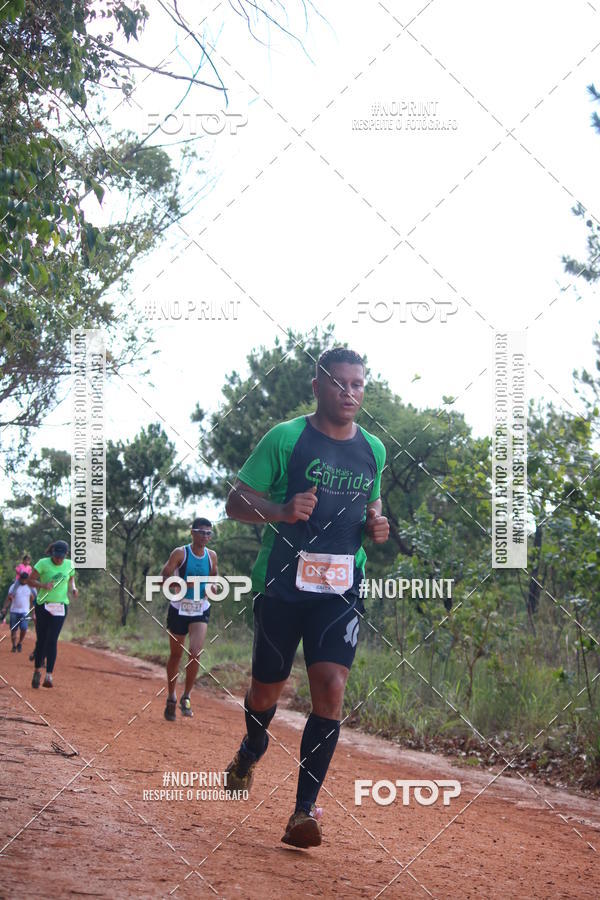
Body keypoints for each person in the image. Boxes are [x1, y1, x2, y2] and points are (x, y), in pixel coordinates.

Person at [224, 347, 389, 848]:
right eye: (339, 383)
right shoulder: (285, 438)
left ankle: (302, 812)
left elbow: (372, 501)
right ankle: (252, 747)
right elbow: (235, 503)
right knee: (265, 694)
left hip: (340, 588)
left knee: (331, 687)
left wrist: (377, 524)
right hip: (282, 585)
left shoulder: (374, 449)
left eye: (357, 384)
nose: (349, 393)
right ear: (316, 386)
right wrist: (279, 508)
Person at [160, 518, 217, 721]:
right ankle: (171, 696)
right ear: (192, 533)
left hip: (200, 608)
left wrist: (213, 588)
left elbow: (214, 578)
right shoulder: (180, 553)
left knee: (194, 652)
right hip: (179, 608)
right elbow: (163, 577)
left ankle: (187, 696)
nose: (205, 536)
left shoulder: (212, 556)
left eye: (209, 533)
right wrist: (178, 586)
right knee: (176, 655)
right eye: (201, 532)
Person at [27, 541, 78, 688]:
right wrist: (43, 585)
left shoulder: (69, 565)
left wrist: (73, 588)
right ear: (52, 553)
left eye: (61, 557)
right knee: (42, 639)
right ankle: (37, 670)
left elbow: (72, 578)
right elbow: (30, 580)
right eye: (56, 556)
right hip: (43, 605)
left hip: (60, 606)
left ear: (65, 555)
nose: (59, 560)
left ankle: (49, 675)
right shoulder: (43, 563)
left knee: (52, 639)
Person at [2, 571, 35, 653]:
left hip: (25, 612)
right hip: (14, 611)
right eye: (22, 579)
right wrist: (4, 608)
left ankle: (19, 643)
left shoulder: (30, 588)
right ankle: (13, 645)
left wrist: (33, 613)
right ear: (20, 578)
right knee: (14, 630)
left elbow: (32, 601)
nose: (23, 580)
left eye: (25, 579)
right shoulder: (14, 587)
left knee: (24, 628)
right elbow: (9, 598)